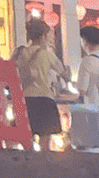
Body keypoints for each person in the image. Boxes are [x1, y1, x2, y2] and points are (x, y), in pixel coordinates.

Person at [14, 18, 66, 149]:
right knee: (45, 143)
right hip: (44, 100)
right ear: (43, 36)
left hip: (25, 100)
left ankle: (29, 165)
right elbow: (63, 73)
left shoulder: (20, 52)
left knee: (27, 140)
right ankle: (43, 167)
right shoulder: (47, 55)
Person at [69, 24, 99, 153]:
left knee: (89, 151)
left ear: (85, 41)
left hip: (91, 110)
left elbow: (82, 89)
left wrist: (72, 86)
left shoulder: (87, 61)